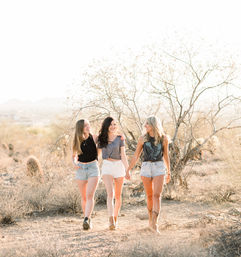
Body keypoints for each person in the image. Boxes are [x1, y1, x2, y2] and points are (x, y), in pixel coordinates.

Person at [125, 115, 171, 233]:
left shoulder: (164, 139)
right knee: (150, 196)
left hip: (159, 167)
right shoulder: (142, 139)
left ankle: (155, 224)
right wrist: (128, 169)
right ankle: (150, 221)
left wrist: (169, 171)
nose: (145, 126)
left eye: (147, 124)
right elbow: (136, 155)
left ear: (153, 125)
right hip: (146, 167)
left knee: (157, 195)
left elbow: (166, 155)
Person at [97, 117, 128, 230]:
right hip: (107, 166)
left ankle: (115, 218)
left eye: (115, 124)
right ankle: (110, 220)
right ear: (106, 126)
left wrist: (127, 170)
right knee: (110, 194)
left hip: (119, 166)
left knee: (118, 196)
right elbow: (98, 155)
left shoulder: (120, 138)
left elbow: (123, 155)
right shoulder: (101, 139)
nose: (113, 126)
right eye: (111, 124)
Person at [72, 119, 100, 230]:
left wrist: (120, 136)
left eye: (88, 124)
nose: (88, 127)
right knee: (84, 197)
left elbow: (107, 138)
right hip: (81, 169)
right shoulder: (76, 140)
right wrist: (74, 162)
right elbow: (73, 155)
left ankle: (86, 218)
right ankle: (87, 218)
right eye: (85, 126)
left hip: (93, 167)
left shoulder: (94, 137)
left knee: (89, 196)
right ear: (80, 128)